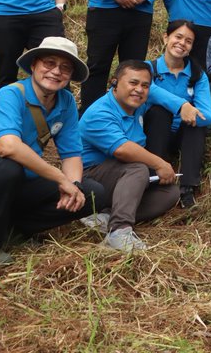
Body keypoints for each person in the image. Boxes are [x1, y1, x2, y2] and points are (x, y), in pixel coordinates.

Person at [0, 37, 105, 270]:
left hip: (18, 184)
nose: (56, 71)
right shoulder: (11, 94)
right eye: (49, 63)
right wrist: (60, 179)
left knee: (92, 192)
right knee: (6, 167)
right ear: (34, 65)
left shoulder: (66, 102)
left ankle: (14, 229)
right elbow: (8, 147)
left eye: (65, 67)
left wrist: (74, 187)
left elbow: (72, 154)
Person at [80, 60, 203, 252]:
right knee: (138, 169)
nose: (139, 89)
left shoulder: (138, 105)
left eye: (145, 85)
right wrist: (160, 164)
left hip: (121, 177)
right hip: (91, 180)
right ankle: (119, 231)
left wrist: (182, 105)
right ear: (115, 82)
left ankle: (106, 216)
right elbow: (122, 150)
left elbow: (156, 94)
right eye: (133, 83)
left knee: (170, 193)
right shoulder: (100, 112)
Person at [145, 21, 211, 209]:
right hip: (153, 135)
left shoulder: (197, 75)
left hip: (183, 136)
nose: (182, 43)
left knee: (196, 124)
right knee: (159, 112)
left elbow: (208, 116)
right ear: (166, 38)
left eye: (188, 41)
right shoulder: (148, 69)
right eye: (178, 37)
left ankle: (187, 187)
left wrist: (189, 113)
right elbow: (148, 90)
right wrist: (181, 105)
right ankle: (153, 178)